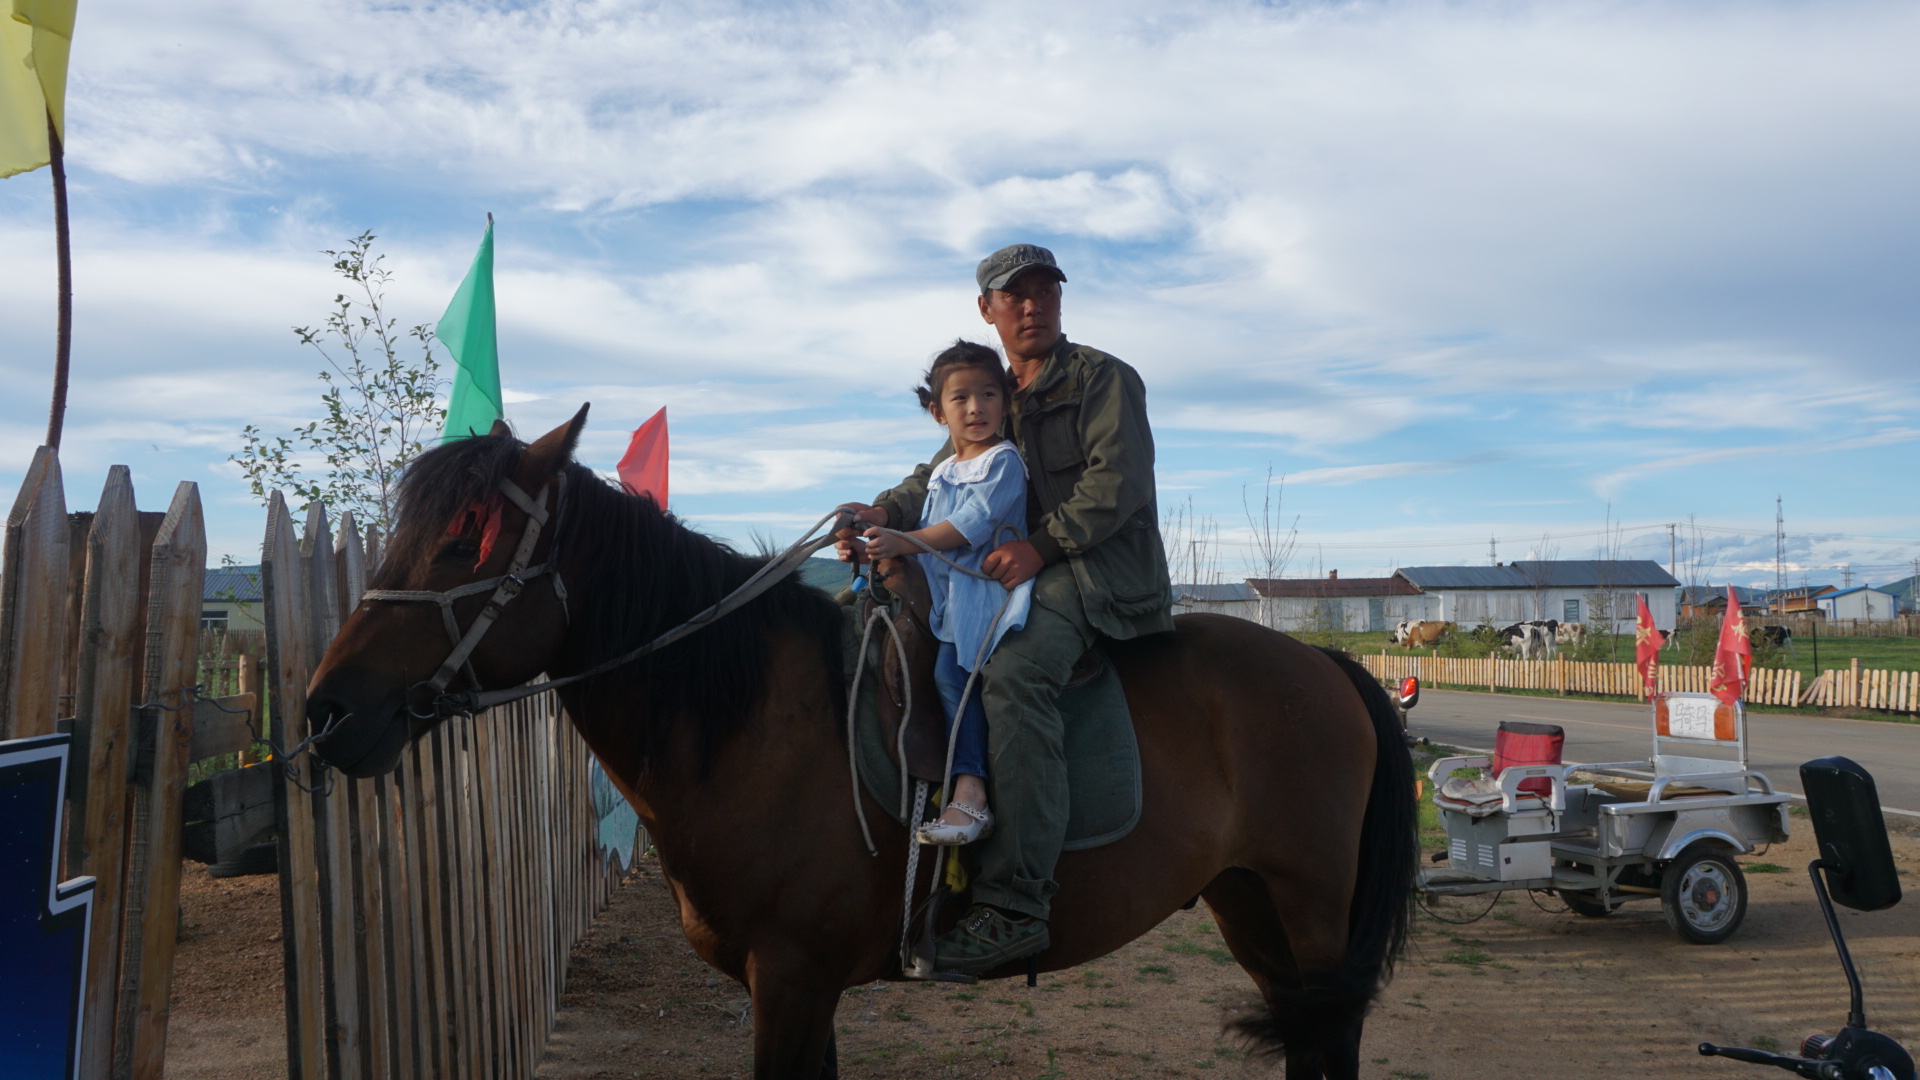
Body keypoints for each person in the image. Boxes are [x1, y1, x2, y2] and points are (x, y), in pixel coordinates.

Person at [837, 243, 1172, 974]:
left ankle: (1016, 903)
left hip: (1095, 571)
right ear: (986, 310)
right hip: (1016, 567)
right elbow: (936, 476)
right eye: (1013, 296)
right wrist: (878, 513)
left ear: (1058, 300)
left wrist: (1041, 547)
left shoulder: (1104, 379)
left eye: (1043, 292)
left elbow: (1116, 484)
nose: (1031, 306)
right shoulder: (990, 393)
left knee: (1010, 672)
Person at [854, 340, 1033, 846]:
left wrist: (905, 542)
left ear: (1004, 401)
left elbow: (966, 526)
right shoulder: (942, 470)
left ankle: (971, 792)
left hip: (981, 595)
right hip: (947, 596)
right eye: (961, 398)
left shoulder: (1003, 461)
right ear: (938, 412)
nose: (976, 408)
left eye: (988, 395)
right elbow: (928, 519)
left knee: (953, 675)